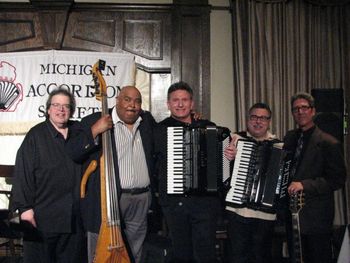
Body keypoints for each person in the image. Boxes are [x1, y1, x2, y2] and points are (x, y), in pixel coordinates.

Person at [66, 86, 156, 263]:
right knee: (102, 250)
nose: (132, 105)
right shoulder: (94, 120)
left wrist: (192, 118)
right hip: (111, 198)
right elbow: (73, 152)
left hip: (141, 198)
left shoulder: (146, 122)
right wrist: (94, 131)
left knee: (135, 251)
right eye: (127, 99)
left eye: (137, 101)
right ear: (117, 100)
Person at [11, 88, 86, 263]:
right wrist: (25, 210)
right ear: (48, 109)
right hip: (42, 219)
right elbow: (23, 173)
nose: (61, 110)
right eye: (56, 105)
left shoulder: (78, 133)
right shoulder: (35, 135)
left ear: (72, 110)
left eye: (66, 106)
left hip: (73, 220)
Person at [154, 81, 225, 263]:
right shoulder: (159, 130)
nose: (180, 104)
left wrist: (228, 153)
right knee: (181, 253)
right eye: (175, 100)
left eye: (184, 100)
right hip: (175, 203)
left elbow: (220, 162)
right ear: (168, 104)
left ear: (192, 103)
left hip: (205, 204)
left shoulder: (208, 126)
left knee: (205, 253)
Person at [283, 92, 346, 263]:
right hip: (292, 214)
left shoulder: (329, 143)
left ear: (313, 111)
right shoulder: (289, 138)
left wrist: (304, 185)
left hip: (316, 217)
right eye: (296, 109)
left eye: (304, 107)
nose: (300, 112)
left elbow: (338, 179)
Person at [224, 102, 281, 263]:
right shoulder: (234, 139)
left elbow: (282, 181)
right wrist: (229, 158)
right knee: (236, 256)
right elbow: (219, 172)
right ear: (248, 120)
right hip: (237, 211)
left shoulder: (278, 145)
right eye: (254, 117)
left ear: (269, 121)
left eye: (263, 118)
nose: (258, 121)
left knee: (260, 256)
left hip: (265, 214)